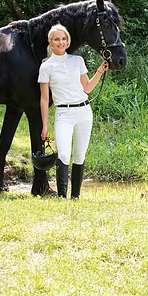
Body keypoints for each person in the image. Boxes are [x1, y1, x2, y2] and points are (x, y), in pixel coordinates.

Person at [38, 24, 108, 198]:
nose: (60, 42)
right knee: (63, 154)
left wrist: (99, 72)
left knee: (80, 155)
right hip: (63, 114)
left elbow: (87, 87)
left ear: (67, 41)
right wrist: (45, 125)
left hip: (84, 112)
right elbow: (45, 99)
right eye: (57, 39)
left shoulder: (77, 61)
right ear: (50, 42)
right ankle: (62, 196)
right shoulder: (46, 67)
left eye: (63, 39)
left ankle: (75, 197)